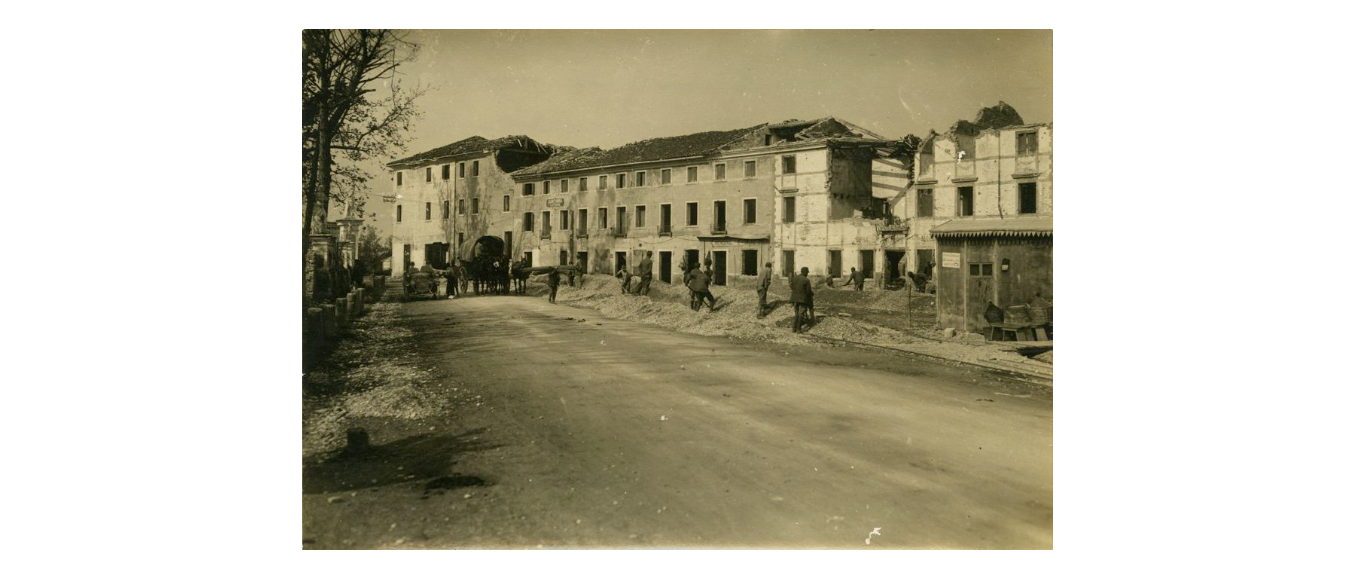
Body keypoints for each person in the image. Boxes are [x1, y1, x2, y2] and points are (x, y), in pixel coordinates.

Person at [790, 267, 814, 333]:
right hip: (802, 299)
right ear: (805, 272)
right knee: (801, 313)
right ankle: (798, 329)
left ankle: (793, 328)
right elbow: (808, 291)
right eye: (807, 273)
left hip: (794, 299)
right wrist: (812, 294)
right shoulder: (806, 280)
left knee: (796, 313)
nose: (807, 274)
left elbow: (791, 286)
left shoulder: (794, 278)